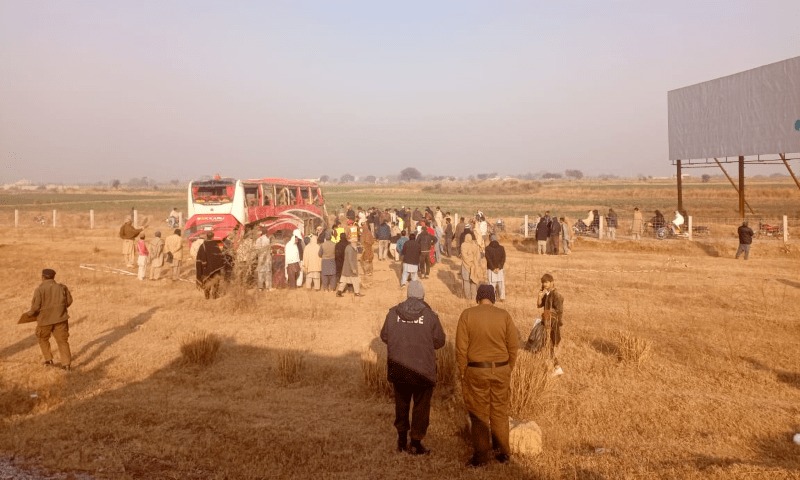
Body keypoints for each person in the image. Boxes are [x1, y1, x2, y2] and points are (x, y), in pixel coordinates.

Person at [456, 285, 519, 467]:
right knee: (499, 412)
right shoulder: (504, 316)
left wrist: (463, 372)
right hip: (501, 370)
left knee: (479, 414)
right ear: (493, 298)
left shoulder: (467, 315)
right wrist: (508, 368)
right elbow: (513, 347)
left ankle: (481, 456)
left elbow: (461, 349)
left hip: (476, 371)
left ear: (478, 298)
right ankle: (502, 454)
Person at [380, 280, 446, 454]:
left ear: (408, 295)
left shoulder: (393, 312)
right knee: (421, 407)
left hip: (399, 367)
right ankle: (416, 443)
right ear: (423, 296)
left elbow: (384, 336)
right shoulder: (430, 315)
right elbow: (440, 341)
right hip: (422, 370)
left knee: (401, 405)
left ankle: (401, 441)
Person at [27, 269, 73, 371]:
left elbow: (35, 307)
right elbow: (69, 301)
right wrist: (60, 310)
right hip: (61, 319)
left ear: (43, 277)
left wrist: (29, 315)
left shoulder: (39, 289)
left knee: (43, 339)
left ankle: (48, 359)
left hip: (44, 321)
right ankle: (66, 365)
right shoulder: (62, 287)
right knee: (63, 341)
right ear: (53, 277)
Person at [537, 273, 565, 376]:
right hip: (547, 323)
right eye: (543, 282)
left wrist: (550, 318)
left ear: (552, 282)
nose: (544, 284)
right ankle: (555, 367)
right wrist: (539, 296)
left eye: (547, 282)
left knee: (551, 345)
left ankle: (557, 367)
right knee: (547, 345)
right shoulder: (547, 294)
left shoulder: (556, 295)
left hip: (553, 324)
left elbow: (559, 311)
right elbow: (539, 305)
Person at [196, 232, 225, 299]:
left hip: (206, 269)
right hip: (216, 268)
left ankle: (207, 297)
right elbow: (220, 256)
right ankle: (214, 296)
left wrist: (203, 264)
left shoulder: (203, 245)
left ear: (207, 236)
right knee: (216, 282)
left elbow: (200, 257)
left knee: (207, 282)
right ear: (213, 237)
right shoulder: (215, 245)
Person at [460, 231, 483, 300]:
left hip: (465, 266)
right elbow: (478, 256)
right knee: (474, 281)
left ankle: (468, 297)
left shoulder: (463, 245)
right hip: (474, 265)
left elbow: (464, 256)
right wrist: (475, 262)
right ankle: (474, 297)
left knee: (466, 281)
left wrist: (469, 262)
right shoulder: (475, 245)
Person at [484, 235, 506, 302]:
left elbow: (488, 259)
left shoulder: (487, 248)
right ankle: (502, 297)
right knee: (501, 283)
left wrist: (493, 268)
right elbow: (503, 258)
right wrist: (499, 267)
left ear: (490, 240)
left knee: (491, 284)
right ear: (496, 239)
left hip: (491, 269)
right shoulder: (501, 248)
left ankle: (492, 298)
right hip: (500, 269)